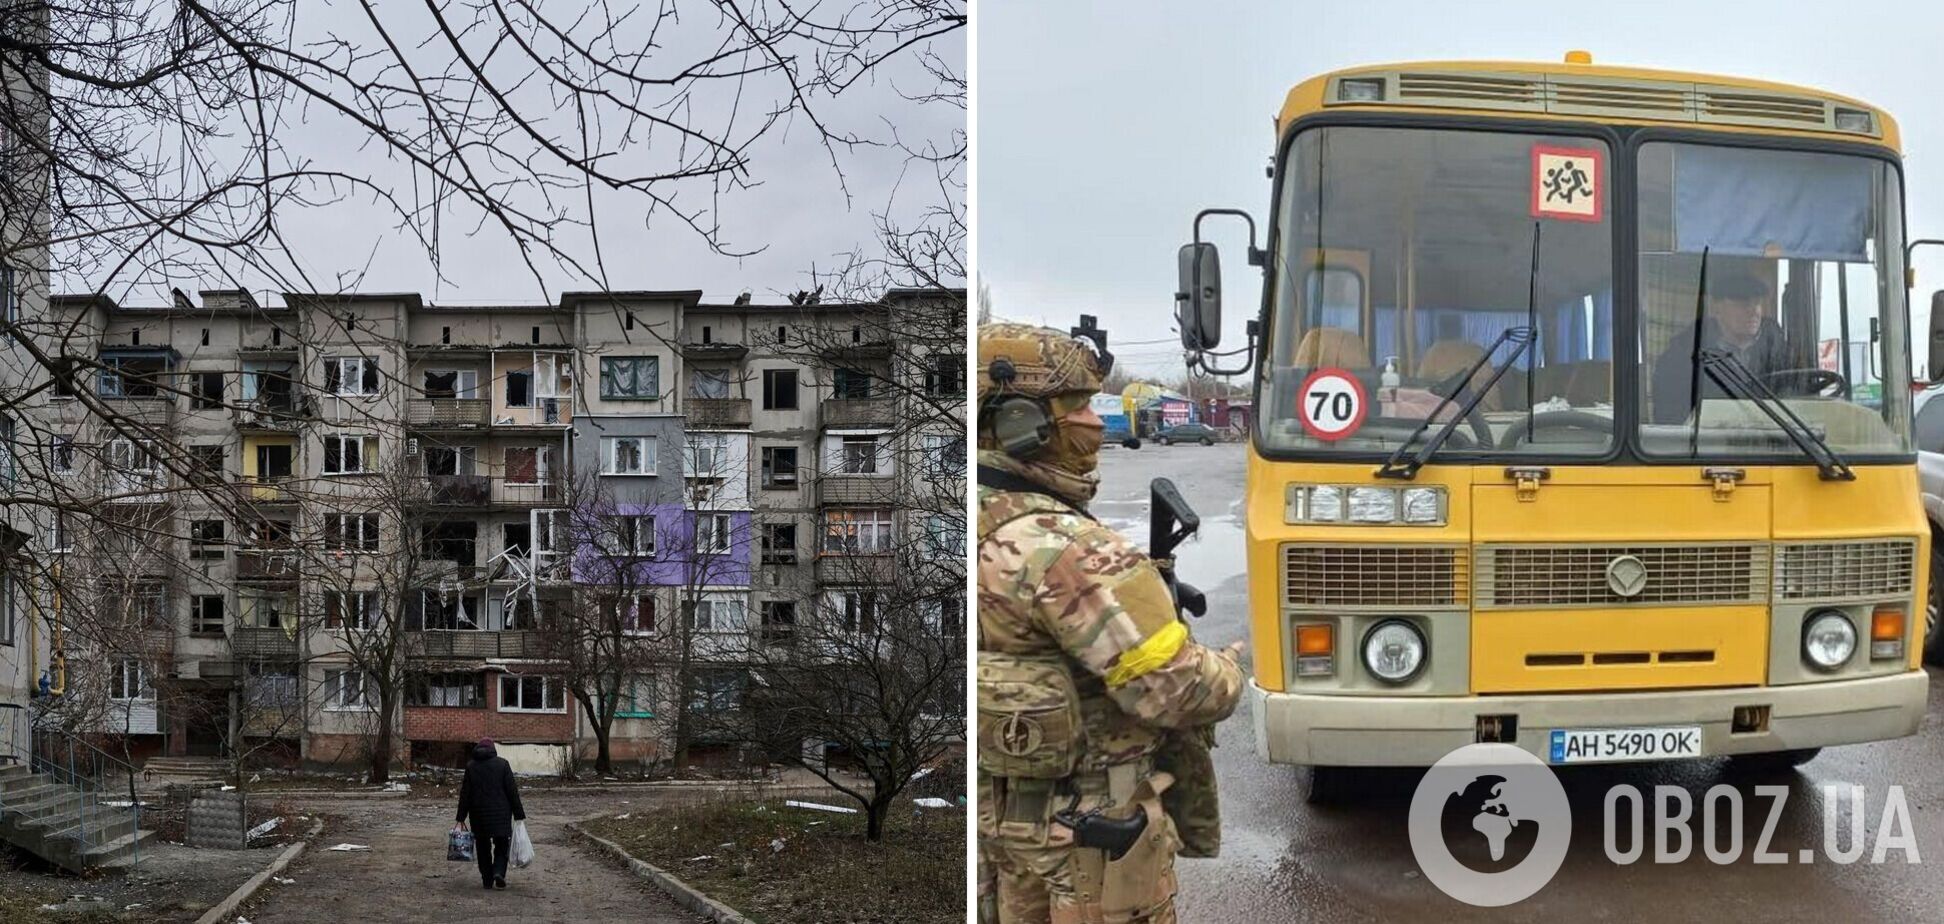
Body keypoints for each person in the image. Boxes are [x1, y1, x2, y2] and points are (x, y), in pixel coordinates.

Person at [975, 322, 1246, 924]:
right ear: (1020, 424)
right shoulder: (1069, 549)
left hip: (997, 833)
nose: (1095, 423)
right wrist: (1229, 668)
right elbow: (1178, 688)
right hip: (1089, 845)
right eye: (1077, 406)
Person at [1650, 266, 1797, 424]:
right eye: (1742, 303)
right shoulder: (1681, 358)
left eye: (1757, 302)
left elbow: (1798, 404)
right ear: (1715, 308)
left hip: (1777, 439)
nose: (1754, 311)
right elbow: (1670, 422)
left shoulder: (1781, 354)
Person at [455, 737, 525, 890]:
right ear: (493, 749)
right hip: (501, 814)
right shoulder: (502, 764)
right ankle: (498, 871)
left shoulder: (471, 766)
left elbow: (465, 793)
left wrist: (461, 817)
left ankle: (487, 879)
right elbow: (512, 791)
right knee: (502, 844)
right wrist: (519, 814)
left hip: (478, 815)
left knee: (482, 847)